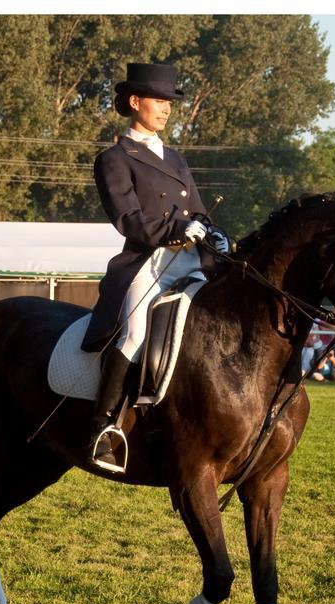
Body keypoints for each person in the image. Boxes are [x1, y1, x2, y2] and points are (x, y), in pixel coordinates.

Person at [81, 62, 228, 468]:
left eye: (169, 102)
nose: (166, 109)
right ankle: (103, 429)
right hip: (146, 263)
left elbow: (198, 211)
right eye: (160, 101)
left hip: (189, 262)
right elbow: (128, 220)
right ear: (135, 102)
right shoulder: (113, 158)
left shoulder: (176, 158)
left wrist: (214, 234)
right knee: (135, 333)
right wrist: (179, 227)